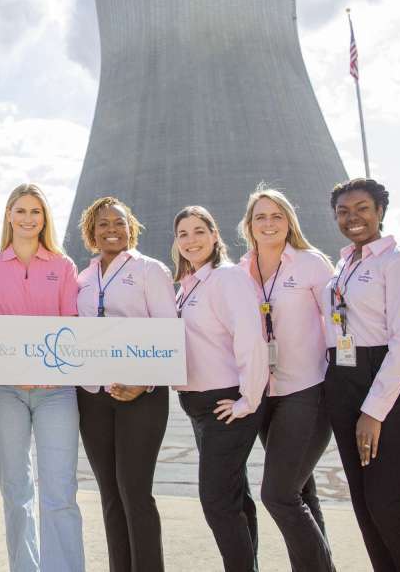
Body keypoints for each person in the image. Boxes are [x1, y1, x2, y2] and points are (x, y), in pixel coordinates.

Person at [323, 178, 400, 572]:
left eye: (362, 208)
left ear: (381, 212)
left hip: (391, 384)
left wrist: (373, 412)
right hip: (346, 376)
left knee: (390, 505)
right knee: (366, 505)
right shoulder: (344, 266)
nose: (352, 218)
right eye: (343, 211)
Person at [0, 183, 84, 572]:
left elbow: (71, 327)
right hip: (5, 392)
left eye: (35, 211)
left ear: (45, 218)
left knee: (60, 491)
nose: (27, 218)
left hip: (56, 392)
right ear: (8, 215)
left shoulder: (63, 266)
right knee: (17, 492)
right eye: (20, 210)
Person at [236, 187, 335, 572]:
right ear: (249, 225)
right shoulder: (242, 269)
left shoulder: (311, 264)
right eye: (260, 216)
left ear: (289, 220)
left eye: (276, 215)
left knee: (278, 495)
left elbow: (342, 318)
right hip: (266, 394)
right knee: (302, 493)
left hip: (306, 391)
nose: (268, 223)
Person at [75, 196, 176, 572]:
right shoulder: (82, 279)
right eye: (103, 224)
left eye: (118, 222)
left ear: (130, 227)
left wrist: (144, 382)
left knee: (135, 491)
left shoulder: (151, 270)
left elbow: (169, 332)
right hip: (93, 397)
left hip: (141, 397)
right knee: (110, 495)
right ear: (92, 231)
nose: (111, 229)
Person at [171, 205, 268, 572]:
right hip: (197, 404)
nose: (191, 240)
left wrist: (249, 399)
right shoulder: (189, 285)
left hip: (225, 403)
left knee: (215, 500)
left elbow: (250, 338)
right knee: (234, 497)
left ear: (215, 235)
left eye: (199, 231)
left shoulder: (228, 279)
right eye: (183, 234)